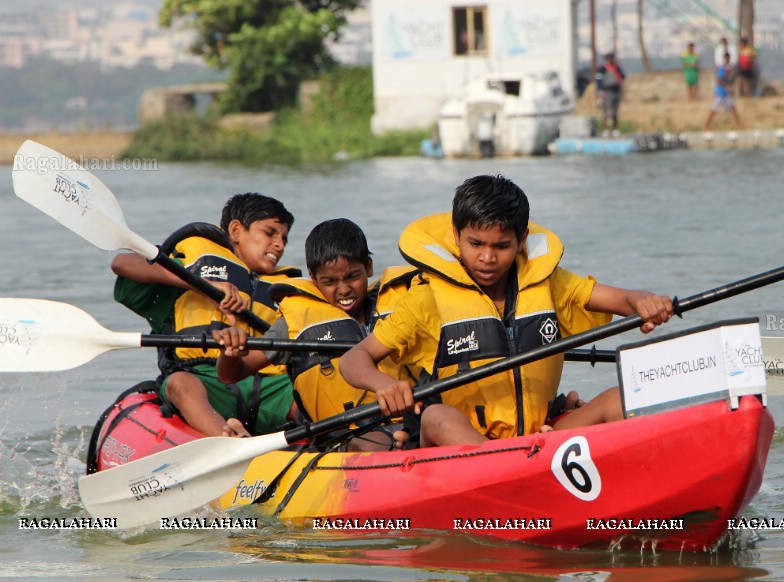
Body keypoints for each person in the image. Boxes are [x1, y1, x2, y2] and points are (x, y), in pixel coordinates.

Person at [338, 174, 675, 448]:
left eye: (501, 246)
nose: (487, 257)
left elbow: (624, 299)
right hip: (465, 440)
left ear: (522, 239)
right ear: (456, 236)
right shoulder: (427, 299)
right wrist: (383, 384)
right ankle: (505, 470)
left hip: (542, 434)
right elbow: (354, 360)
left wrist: (643, 302)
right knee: (437, 417)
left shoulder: (550, 283)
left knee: (619, 399)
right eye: (476, 244)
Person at [214, 218, 420, 452]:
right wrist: (229, 352)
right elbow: (232, 374)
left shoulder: (404, 307)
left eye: (353, 276)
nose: (343, 289)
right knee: (376, 442)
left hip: (408, 425)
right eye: (329, 281)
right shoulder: (295, 323)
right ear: (313, 277)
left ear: (369, 267)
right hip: (343, 438)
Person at [111, 193, 300, 438]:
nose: (280, 244)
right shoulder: (193, 271)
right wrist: (200, 285)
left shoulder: (287, 288)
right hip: (204, 381)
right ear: (236, 230)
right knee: (180, 383)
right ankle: (229, 440)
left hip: (269, 388)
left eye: (284, 238)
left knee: (309, 387)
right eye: (270, 233)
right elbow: (122, 263)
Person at [704, 51, 744, 130]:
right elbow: (719, 79)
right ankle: (706, 126)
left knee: (733, 108)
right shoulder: (722, 68)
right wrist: (726, 86)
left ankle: (739, 124)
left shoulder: (728, 68)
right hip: (720, 93)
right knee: (714, 110)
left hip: (725, 94)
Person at [595, 52, 626, 137]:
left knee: (615, 112)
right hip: (606, 92)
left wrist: (617, 67)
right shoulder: (602, 69)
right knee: (606, 112)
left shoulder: (616, 68)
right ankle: (605, 131)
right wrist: (599, 92)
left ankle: (615, 130)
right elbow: (598, 80)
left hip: (615, 91)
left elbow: (623, 76)